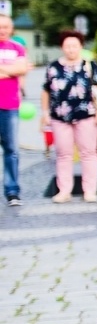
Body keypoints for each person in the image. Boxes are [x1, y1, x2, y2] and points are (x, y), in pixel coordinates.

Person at [42, 31, 97, 203]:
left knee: (89, 153)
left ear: (80, 46)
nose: (71, 49)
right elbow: (46, 91)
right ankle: (64, 191)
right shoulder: (53, 67)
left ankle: (90, 190)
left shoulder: (90, 66)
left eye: (74, 46)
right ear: (62, 47)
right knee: (63, 154)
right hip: (59, 117)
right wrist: (45, 112)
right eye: (67, 46)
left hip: (86, 115)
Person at [0, 14, 28, 206]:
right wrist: (11, 69)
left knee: (11, 149)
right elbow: (17, 69)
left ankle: (12, 191)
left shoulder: (17, 48)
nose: (3, 30)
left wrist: (9, 69)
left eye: (6, 27)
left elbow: (22, 69)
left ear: (11, 29)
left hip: (10, 105)